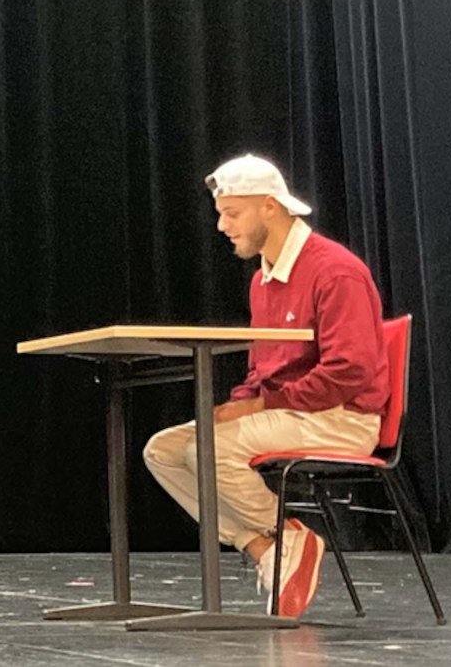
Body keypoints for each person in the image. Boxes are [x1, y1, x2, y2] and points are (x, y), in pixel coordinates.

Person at [142, 154, 388, 618]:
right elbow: (262, 370)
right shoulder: (263, 280)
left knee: (206, 450)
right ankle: (268, 546)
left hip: (342, 419)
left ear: (270, 207)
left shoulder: (335, 271)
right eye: (220, 213)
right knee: (164, 450)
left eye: (231, 213)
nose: (221, 225)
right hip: (290, 413)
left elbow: (349, 371)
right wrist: (242, 403)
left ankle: (289, 540)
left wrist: (259, 407)